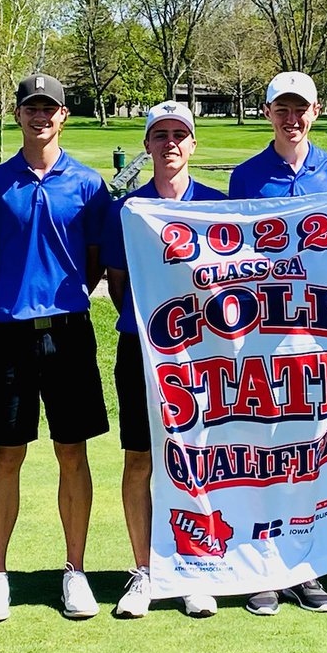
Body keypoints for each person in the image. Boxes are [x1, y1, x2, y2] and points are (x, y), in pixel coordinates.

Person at [228, 70, 327, 616]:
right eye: (282, 109)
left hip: (316, 337)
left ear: (315, 112)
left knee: (309, 453)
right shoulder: (247, 176)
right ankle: (262, 565)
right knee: (263, 450)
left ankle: (306, 566)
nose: (292, 119)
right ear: (268, 113)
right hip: (259, 336)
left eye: (301, 109)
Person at [0, 74, 111, 622]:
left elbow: (95, 261)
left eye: (49, 108)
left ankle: (74, 571)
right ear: (20, 113)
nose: (40, 117)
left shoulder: (89, 184)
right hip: (10, 333)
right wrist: (15, 294)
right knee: (7, 455)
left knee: (72, 452)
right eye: (31, 108)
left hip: (71, 332)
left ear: (64, 115)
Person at [104, 101, 225, 619]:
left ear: (193, 144)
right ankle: (144, 570)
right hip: (143, 348)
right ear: (148, 145)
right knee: (140, 457)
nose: (171, 143)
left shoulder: (220, 206)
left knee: (199, 460)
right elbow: (116, 282)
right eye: (160, 135)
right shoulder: (129, 211)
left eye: (180, 134)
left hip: (205, 354)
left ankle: (195, 568)